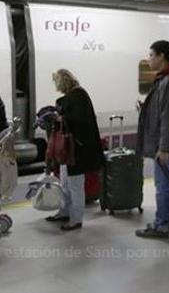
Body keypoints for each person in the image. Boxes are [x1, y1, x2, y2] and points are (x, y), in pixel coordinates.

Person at [135, 40, 169, 239]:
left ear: (161, 56)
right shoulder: (167, 79)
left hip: (166, 146)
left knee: (163, 186)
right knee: (168, 184)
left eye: (151, 55)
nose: (148, 58)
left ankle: (161, 226)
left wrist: (165, 148)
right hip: (165, 144)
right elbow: (164, 112)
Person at [45, 69, 105, 231]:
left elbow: (79, 120)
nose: (56, 86)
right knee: (65, 182)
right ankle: (64, 211)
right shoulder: (74, 96)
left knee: (75, 185)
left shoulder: (78, 95)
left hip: (78, 151)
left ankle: (76, 219)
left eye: (56, 82)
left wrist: (60, 118)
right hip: (68, 150)